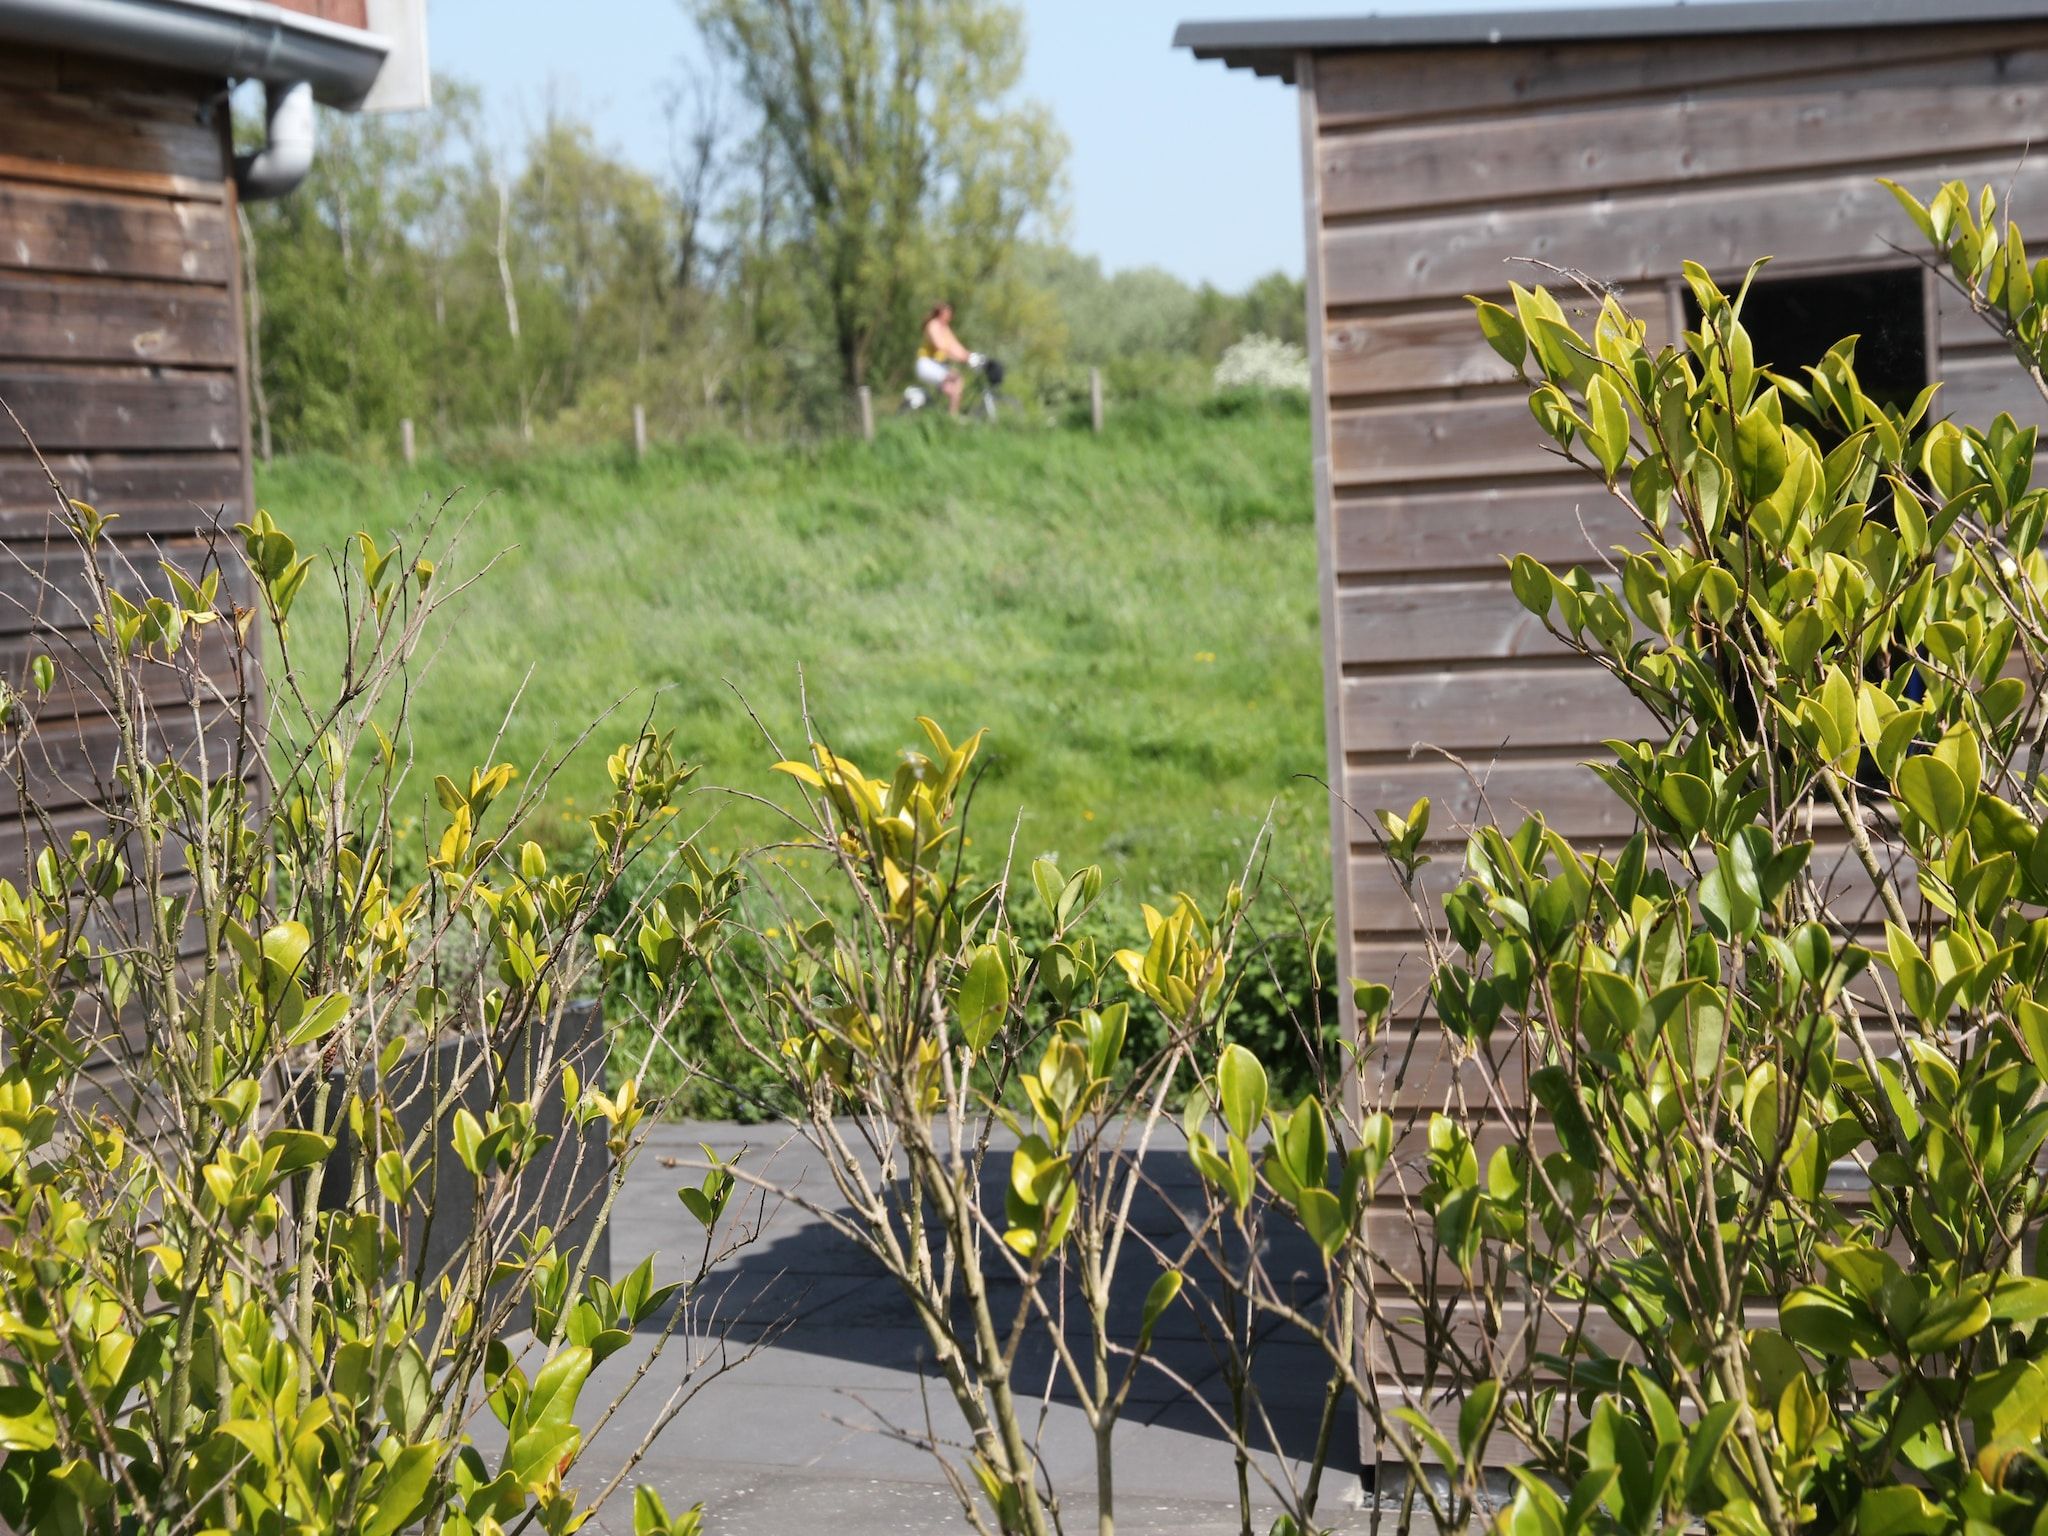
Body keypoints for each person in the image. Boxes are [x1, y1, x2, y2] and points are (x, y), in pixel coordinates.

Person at [915, 302, 982, 416]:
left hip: (937, 365)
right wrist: (960, 358)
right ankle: (952, 416)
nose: (950, 317)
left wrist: (969, 355)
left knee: (957, 381)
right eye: (948, 314)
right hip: (926, 364)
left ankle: (949, 413)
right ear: (941, 313)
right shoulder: (933, 325)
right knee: (954, 385)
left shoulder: (945, 328)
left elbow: (955, 345)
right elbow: (940, 346)